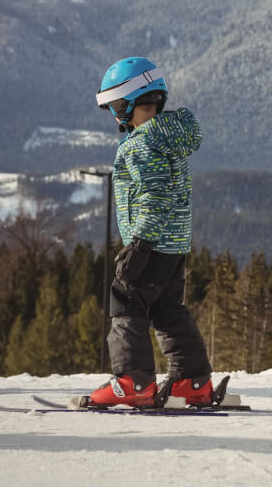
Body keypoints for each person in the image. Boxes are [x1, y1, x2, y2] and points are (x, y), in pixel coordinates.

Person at [89, 56, 214, 407]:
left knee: (126, 299)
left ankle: (133, 382)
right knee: (167, 309)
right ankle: (191, 381)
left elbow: (155, 194)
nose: (114, 114)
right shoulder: (167, 136)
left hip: (151, 242)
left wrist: (140, 242)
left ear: (132, 102)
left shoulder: (143, 143)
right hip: (173, 244)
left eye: (115, 105)